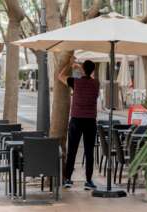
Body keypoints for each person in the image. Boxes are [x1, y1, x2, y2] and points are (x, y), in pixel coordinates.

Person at [58, 59, 100, 190]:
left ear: (83, 68)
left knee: (72, 150)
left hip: (76, 119)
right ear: (93, 70)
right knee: (89, 151)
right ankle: (88, 181)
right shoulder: (96, 84)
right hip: (90, 121)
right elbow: (89, 76)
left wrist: (70, 64)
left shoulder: (75, 82)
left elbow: (60, 76)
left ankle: (68, 179)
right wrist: (82, 68)